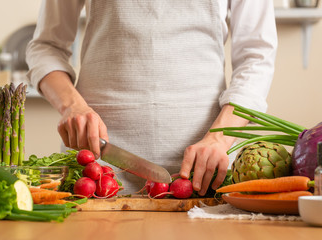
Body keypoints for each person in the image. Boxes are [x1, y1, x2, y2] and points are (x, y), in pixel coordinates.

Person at [26, 0, 277, 195]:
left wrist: (219, 138)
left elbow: (257, 55)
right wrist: (73, 106)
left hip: (206, 165)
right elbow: (46, 46)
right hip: (99, 163)